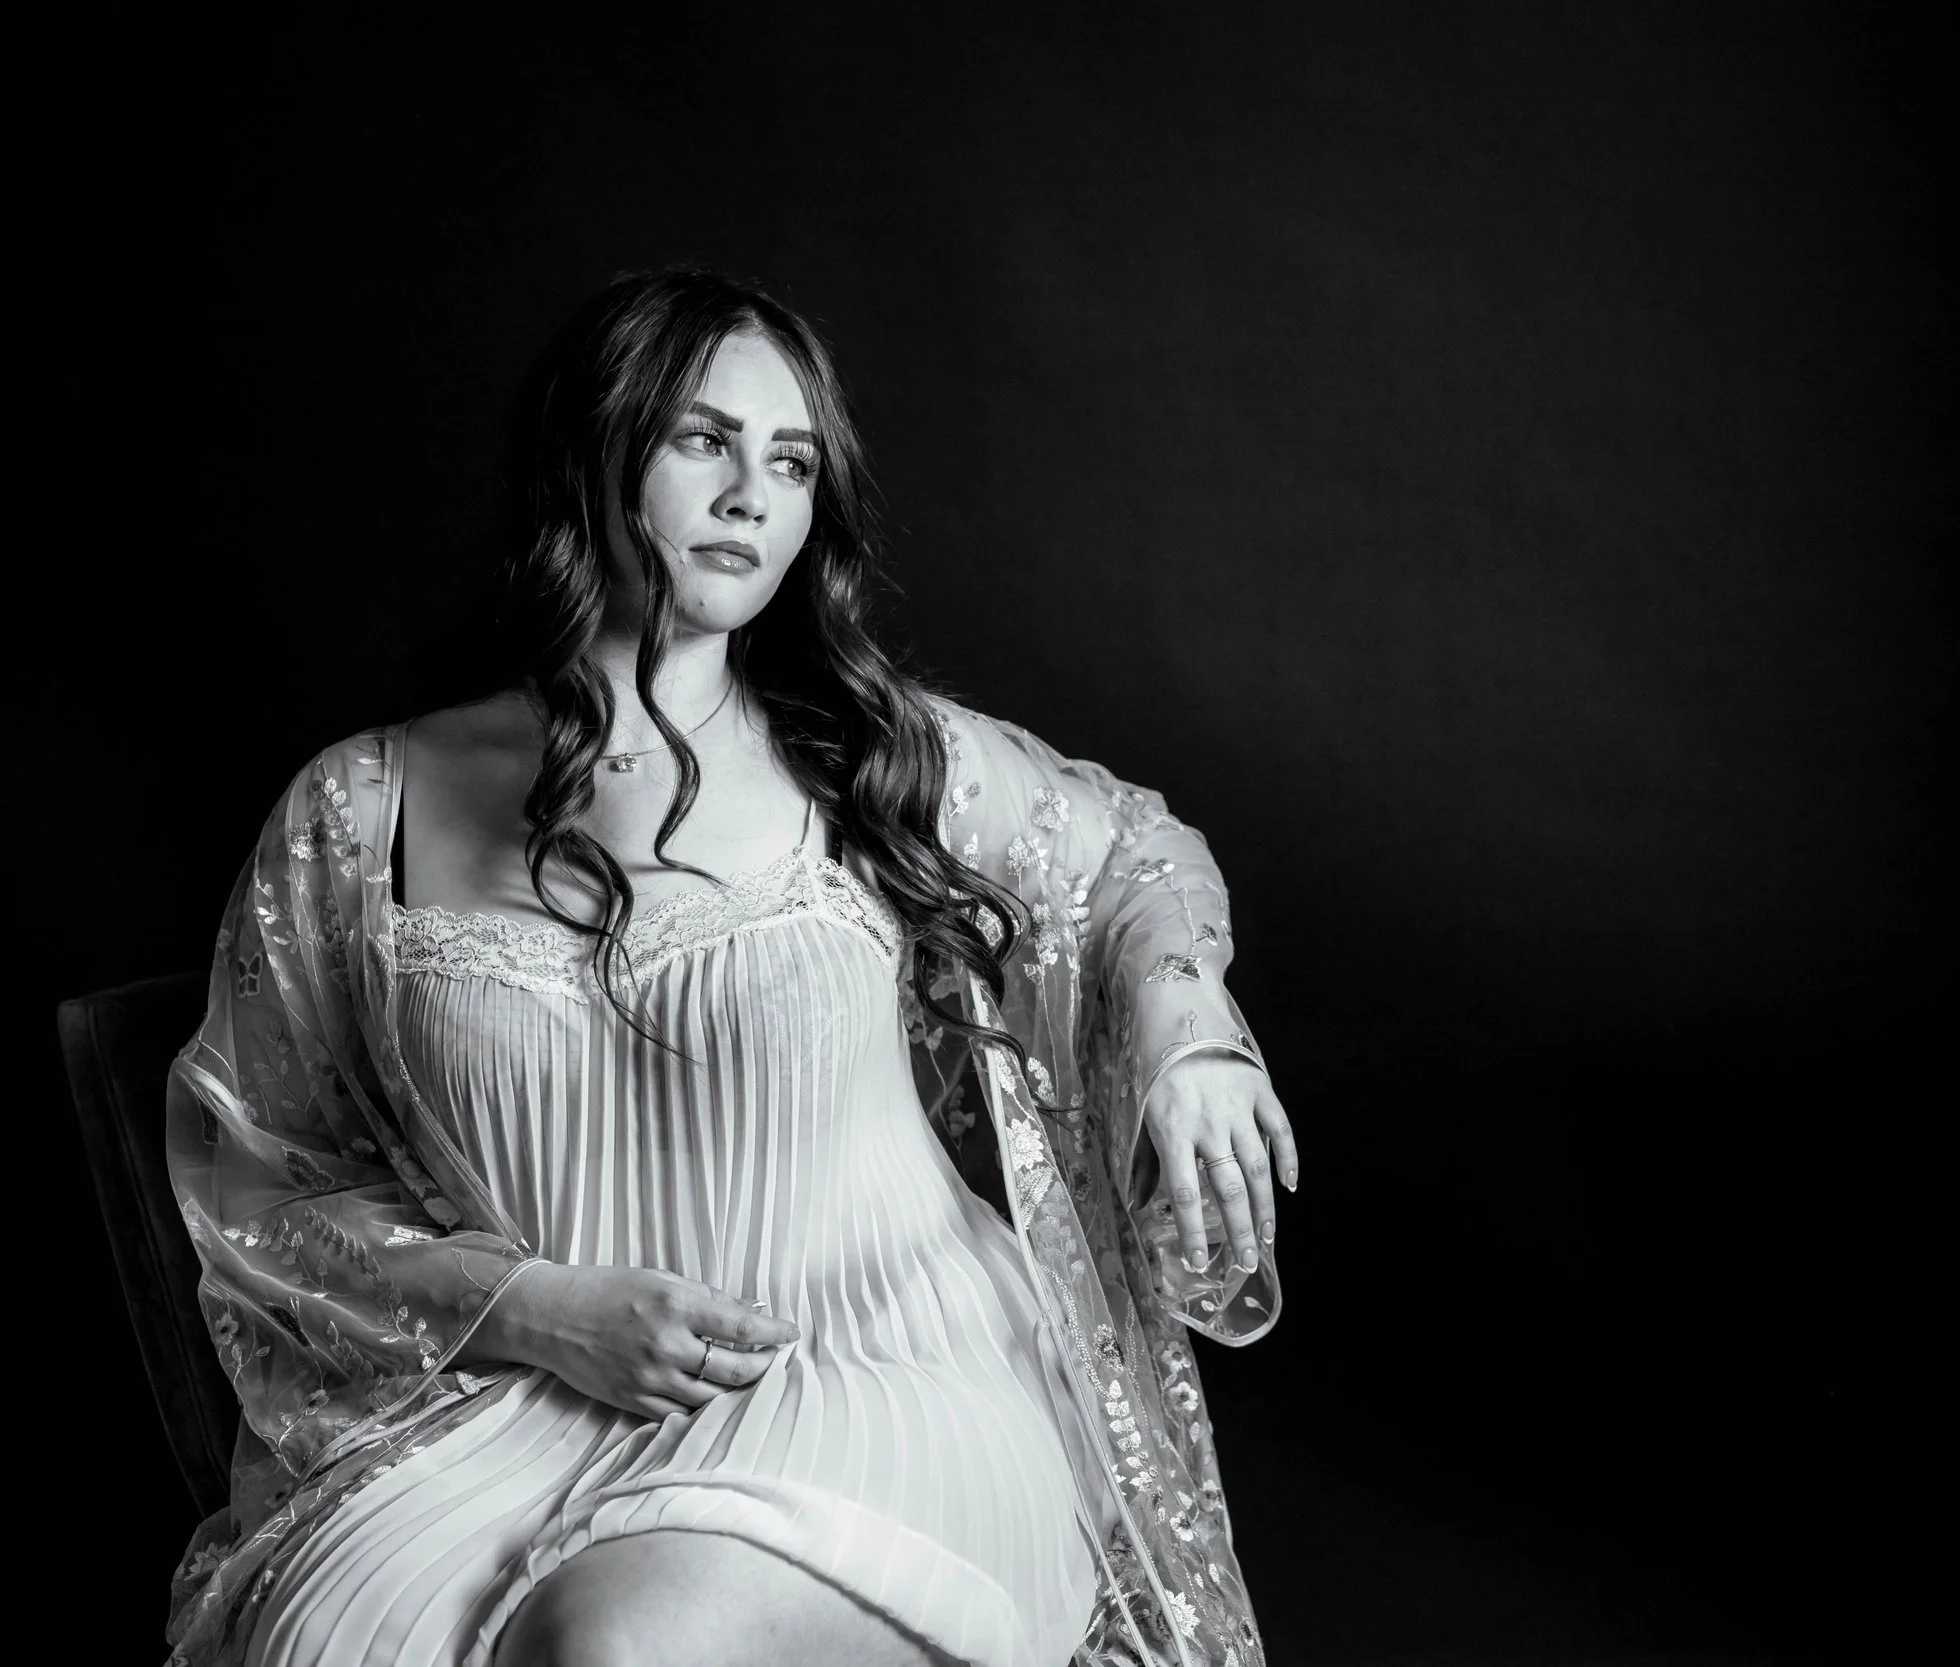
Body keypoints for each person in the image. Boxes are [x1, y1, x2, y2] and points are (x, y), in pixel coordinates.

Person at [164, 268, 1297, 1667]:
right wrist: (534, 1308)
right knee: (337, 1643)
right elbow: (266, 1183)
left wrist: (1188, 1033)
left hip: (876, 1359)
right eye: (704, 440)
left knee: (625, 1643)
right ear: (594, 455)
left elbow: (1131, 850)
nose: (754, 495)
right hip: (522, 1395)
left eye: (792, 460)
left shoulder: (864, 754)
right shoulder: (359, 812)